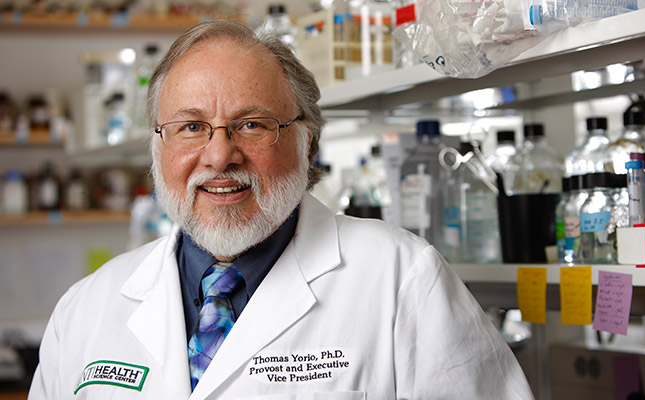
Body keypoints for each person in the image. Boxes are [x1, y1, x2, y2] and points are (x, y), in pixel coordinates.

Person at [28, 20, 534, 399]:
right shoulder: (85, 309)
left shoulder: (402, 278)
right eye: (191, 127)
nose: (220, 155)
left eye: (252, 124)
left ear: (306, 142)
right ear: (158, 148)